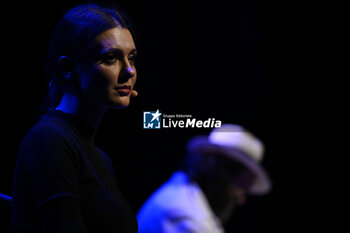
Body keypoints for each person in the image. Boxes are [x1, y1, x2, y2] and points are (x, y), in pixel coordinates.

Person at [11, 4, 139, 233]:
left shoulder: (100, 157)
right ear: (67, 68)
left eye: (132, 58)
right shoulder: (49, 140)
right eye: (111, 58)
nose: (129, 71)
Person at [137, 124, 272, 233]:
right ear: (220, 173)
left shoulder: (183, 194)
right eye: (241, 185)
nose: (241, 199)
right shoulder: (186, 217)